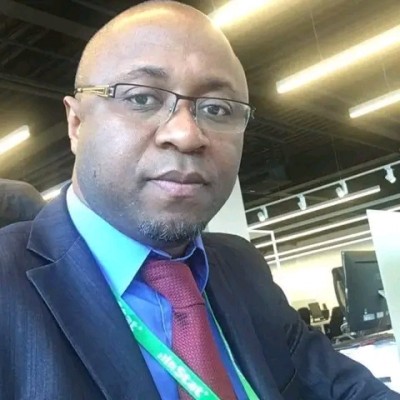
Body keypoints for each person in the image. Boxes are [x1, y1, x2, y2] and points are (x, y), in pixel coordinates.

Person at [0, 2, 398, 399]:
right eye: (142, 99)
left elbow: (341, 388)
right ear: (76, 123)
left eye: (217, 108)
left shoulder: (241, 268)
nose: (187, 135)